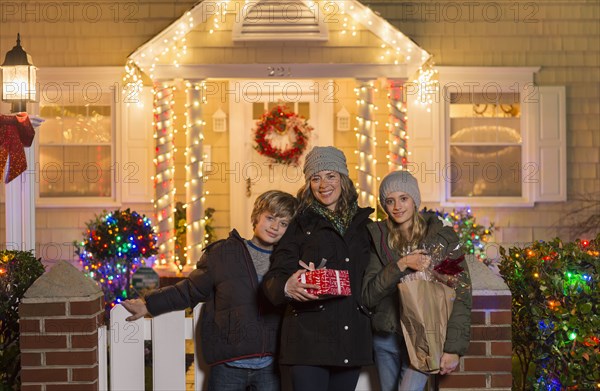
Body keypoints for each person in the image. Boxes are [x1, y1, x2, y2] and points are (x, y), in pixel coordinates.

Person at [122, 190, 298, 391]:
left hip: (271, 366)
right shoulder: (223, 254)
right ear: (257, 216)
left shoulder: (289, 263)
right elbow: (189, 290)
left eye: (283, 223)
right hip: (228, 364)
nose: (275, 227)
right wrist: (148, 305)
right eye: (270, 218)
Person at [262, 146, 374, 391]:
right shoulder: (299, 224)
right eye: (316, 177)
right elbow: (275, 276)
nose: (323, 184)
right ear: (308, 183)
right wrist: (287, 286)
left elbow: (377, 277)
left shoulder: (365, 226)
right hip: (307, 342)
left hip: (350, 339)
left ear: (343, 179)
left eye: (330, 175)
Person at [362, 170, 472, 391]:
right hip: (387, 339)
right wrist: (400, 265)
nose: (397, 207)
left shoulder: (441, 239)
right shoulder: (377, 239)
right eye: (390, 201)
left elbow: (460, 293)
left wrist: (453, 348)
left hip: (425, 338)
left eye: (404, 198)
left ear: (415, 200)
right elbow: (368, 295)